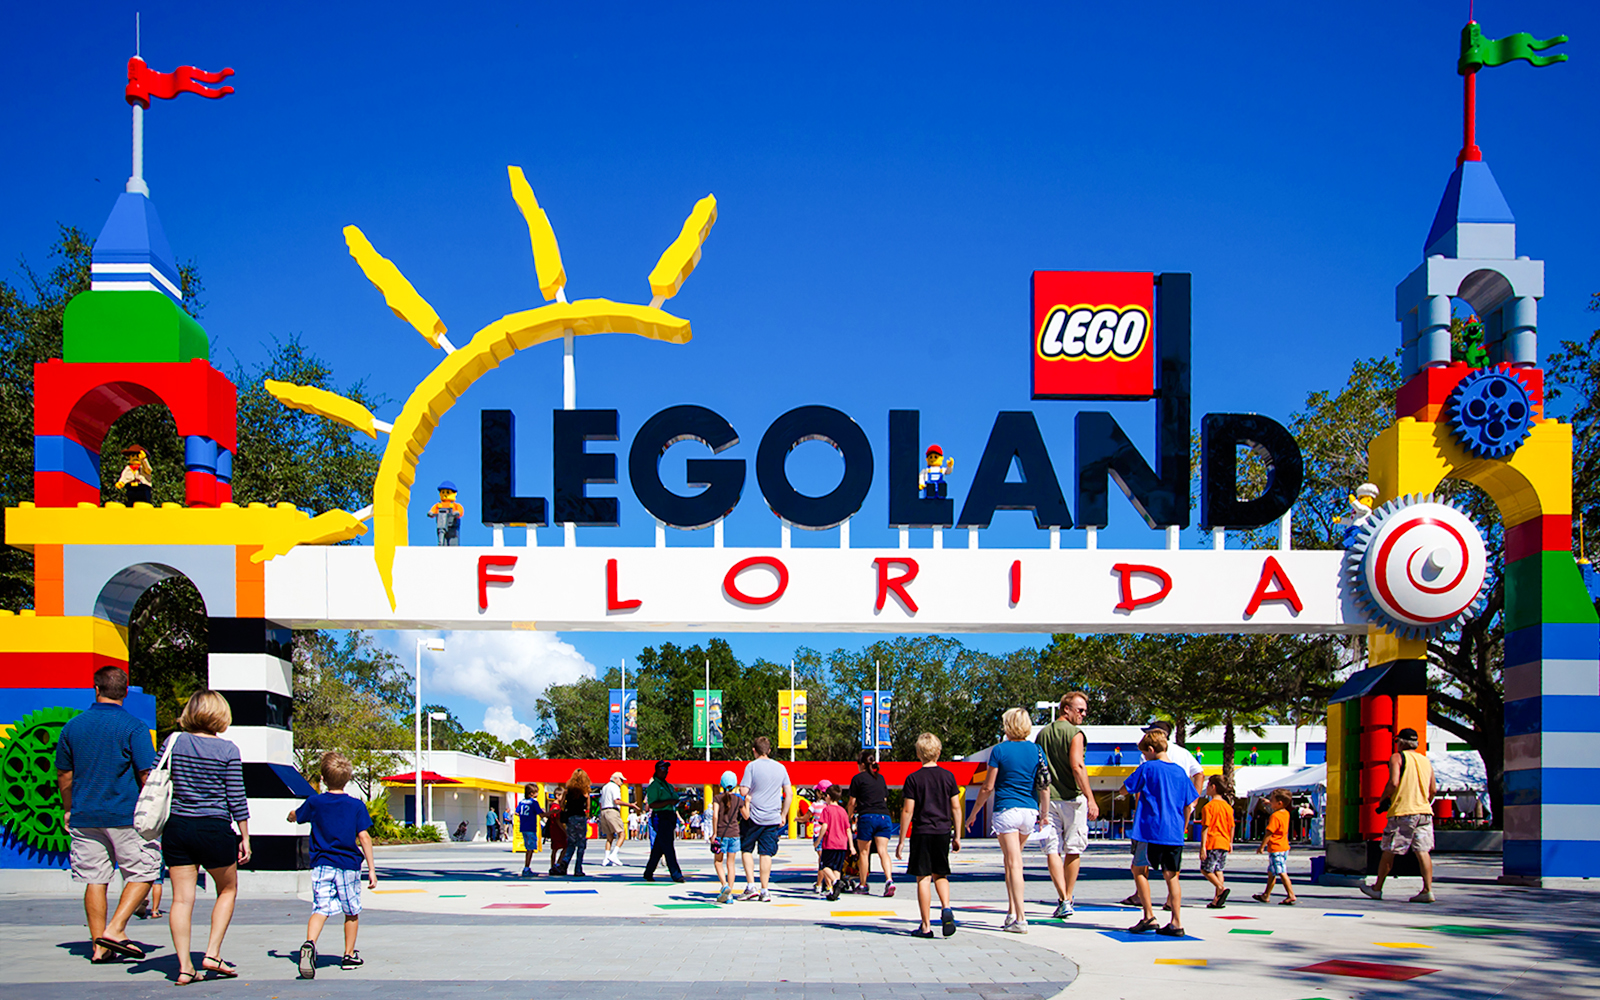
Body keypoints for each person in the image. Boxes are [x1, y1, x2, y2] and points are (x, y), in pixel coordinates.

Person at [54, 665, 161, 964]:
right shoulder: (134, 727)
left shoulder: (72, 727)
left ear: (96, 689)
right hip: (126, 815)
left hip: (85, 815)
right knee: (145, 872)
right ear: (125, 692)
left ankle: (99, 947)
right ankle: (115, 929)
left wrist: (68, 808)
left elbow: (64, 774)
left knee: (95, 879)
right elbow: (146, 774)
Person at [161, 690, 251, 984]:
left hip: (178, 827)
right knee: (227, 889)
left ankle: (185, 966)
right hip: (214, 828)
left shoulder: (174, 742)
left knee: (181, 900)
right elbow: (236, 796)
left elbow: (153, 775)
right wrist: (245, 835)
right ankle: (212, 953)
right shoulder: (228, 750)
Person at [290, 752, 377, 979]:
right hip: (348, 865)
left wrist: (291, 816)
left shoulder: (315, 802)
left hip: (322, 864)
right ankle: (348, 955)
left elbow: (297, 815)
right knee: (351, 910)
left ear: (323, 778)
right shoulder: (356, 805)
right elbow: (364, 837)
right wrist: (371, 870)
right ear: (348, 779)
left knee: (321, 907)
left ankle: (310, 944)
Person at [968, 707, 1049, 933]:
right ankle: (1011, 912)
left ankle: (1021, 918)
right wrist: (1044, 814)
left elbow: (988, 786)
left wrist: (974, 813)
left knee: (1014, 863)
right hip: (1029, 812)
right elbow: (1044, 785)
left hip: (1006, 810)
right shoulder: (1037, 750)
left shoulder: (1000, 750)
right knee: (1011, 861)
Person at [1120, 720, 1204, 909]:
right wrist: (1188, 816)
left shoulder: (1148, 766)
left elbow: (1127, 788)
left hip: (1150, 828)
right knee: (1172, 875)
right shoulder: (1181, 768)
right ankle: (1175, 917)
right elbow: (1196, 783)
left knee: (1139, 869)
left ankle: (1148, 913)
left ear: (1151, 747)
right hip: (1174, 829)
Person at [1034, 691, 1097, 919]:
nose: (1083, 714)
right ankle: (1068, 896)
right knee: (1073, 848)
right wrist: (1090, 798)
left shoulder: (1042, 734)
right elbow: (1077, 766)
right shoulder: (1075, 733)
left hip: (1047, 798)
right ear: (1066, 709)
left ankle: (1062, 898)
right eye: (1080, 710)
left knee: (1052, 849)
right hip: (1072, 799)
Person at [1360, 727, 1438, 904]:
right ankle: (1427, 890)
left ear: (1400, 742)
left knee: (1390, 849)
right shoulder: (1425, 761)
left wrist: (1383, 799)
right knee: (1422, 851)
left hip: (1403, 811)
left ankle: (1377, 888)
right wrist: (1424, 802)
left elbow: (1394, 782)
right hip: (1424, 812)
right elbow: (1433, 789)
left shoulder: (1397, 757)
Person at [897, 732, 962, 938]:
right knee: (940, 874)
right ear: (939, 752)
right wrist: (957, 835)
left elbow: (908, 810)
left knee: (923, 878)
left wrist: (901, 840)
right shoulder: (948, 777)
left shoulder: (913, 779)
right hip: (943, 831)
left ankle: (925, 926)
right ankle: (946, 908)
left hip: (922, 832)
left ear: (918, 754)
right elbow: (956, 807)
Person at [736, 736, 792, 902]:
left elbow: (744, 791)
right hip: (772, 817)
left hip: (753, 817)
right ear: (769, 750)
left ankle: (750, 886)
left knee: (746, 849)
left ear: (754, 750)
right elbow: (789, 793)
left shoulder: (751, 766)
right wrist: (783, 814)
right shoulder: (780, 768)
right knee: (766, 853)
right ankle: (765, 889)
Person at [847, 749, 895, 896]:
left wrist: (849, 817)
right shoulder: (880, 778)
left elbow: (852, 802)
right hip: (884, 817)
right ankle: (889, 880)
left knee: (864, 852)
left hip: (867, 817)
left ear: (862, 764)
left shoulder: (857, 779)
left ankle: (863, 884)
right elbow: (884, 798)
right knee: (883, 851)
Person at [641, 760, 686, 883]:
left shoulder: (669, 786)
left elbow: (675, 798)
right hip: (660, 816)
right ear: (656, 770)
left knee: (659, 846)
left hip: (670, 815)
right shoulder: (654, 786)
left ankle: (648, 872)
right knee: (667, 846)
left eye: (666, 770)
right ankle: (676, 873)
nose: (665, 772)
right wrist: (668, 802)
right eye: (662, 769)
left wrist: (678, 803)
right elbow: (652, 804)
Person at [1253, 789, 1298, 905]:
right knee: (1272, 873)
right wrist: (1270, 803)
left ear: (1279, 803)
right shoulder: (1285, 813)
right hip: (1284, 846)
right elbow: (1277, 807)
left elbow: (1269, 832)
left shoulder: (1275, 816)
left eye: (1272, 800)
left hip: (1276, 847)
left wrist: (1262, 846)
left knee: (1281, 871)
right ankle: (1266, 895)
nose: (1270, 802)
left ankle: (1291, 894)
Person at [1199, 775, 1235, 908]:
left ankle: (1221, 888)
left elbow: (1206, 827)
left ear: (1213, 787)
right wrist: (1230, 842)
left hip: (1213, 841)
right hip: (1224, 842)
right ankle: (1217, 899)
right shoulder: (1228, 807)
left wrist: (1203, 846)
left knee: (1206, 869)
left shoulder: (1208, 807)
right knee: (1219, 870)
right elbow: (1232, 826)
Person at [709, 771, 744, 903]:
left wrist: (714, 833)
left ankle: (724, 885)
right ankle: (730, 894)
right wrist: (746, 801)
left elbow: (715, 816)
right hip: (735, 834)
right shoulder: (738, 800)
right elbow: (746, 815)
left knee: (718, 861)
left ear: (721, 784)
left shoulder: (717, 798)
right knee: (731, 864)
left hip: (721, 834)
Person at [815, 785, 852, 901]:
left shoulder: (827, 810)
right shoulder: (843, 811)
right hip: (842, 844)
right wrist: (851, 845)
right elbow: (848, 829)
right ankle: (835, 892)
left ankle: (836, 882)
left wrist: (818, 840)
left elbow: (824, 826)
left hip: (830, 843)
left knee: (824, 866)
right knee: (837, 868)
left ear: (828, 796)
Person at [554, 769, 592, 876]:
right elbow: (588, 807)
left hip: (570, 818)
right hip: (580, 817)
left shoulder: (568, 791)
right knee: (581, 844)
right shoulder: (585, 792)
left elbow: (562, 805)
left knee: (571, 842)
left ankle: (564, 864)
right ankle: (578, 868)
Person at [599, 772, 626, 865]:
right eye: (621, 780)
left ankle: (606, 858)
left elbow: (600, 802)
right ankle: (614, 854)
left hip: (603, 811)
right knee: (622, 834)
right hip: (612, 810)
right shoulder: (615, 787)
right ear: (615, 779)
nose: (622, 782)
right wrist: (629, 804)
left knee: (609, 836)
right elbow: (616, 801)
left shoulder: (605, 787)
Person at [516, 784, 543, 876]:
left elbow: (517, 812)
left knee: (528, 848)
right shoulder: (534, 803)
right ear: (531, 793)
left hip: (523, 827)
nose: (538, 794)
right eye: (536, 792)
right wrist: (551, 813)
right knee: (530, 849)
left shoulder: (521, 802)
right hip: (531, 827)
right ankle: (526, 868)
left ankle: (527, 867)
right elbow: (541, 814)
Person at [545, 787, 567, 874]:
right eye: (562, 796)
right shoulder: (556, 807)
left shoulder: (553, 805)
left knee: (554, 849)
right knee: (565, 846)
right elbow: (557, 820)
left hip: (553, 829)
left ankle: (553, 865)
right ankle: (558, 863)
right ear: (557, 795)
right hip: (557, 830)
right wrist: (564, 830)